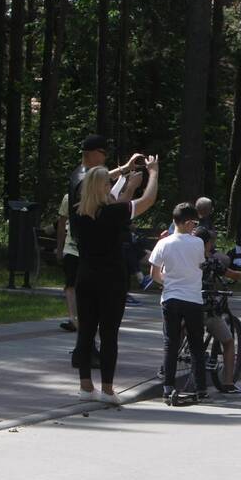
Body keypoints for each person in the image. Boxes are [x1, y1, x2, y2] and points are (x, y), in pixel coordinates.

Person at [71, 155, 159, 404]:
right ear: (103, 187)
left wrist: (125, 177)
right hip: (111, 278)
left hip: (85, 276)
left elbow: (99, 184)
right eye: (108, 184)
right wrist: (153, 173)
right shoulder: (113, 212)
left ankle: (86, 387)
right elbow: (148, 200)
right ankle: (108, 390)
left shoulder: (79, 214)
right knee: (109, 333)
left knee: (86, 331)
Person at [149, 203, 208, 402]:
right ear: (188, 222)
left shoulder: (163, 243)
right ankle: (201, 388)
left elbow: (154, 274)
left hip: (171, 297)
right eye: (194, 222)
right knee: (196, 345)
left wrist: (168, 281)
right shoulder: (198, 243)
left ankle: (168, 386)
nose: (195, 226)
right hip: (193, 298)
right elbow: (198, 264)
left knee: (171, 343)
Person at [192, 227, 241, 395]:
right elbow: (232, 274)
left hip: (186, 302)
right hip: (206, 308)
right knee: (228, 341)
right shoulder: (211, 261)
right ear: (207, 244)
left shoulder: (185, 258)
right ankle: (228, 382)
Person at [55, 192, 80, 332]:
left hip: (90, 251)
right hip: (71, 249)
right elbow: (61, 223)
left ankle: (86, 318)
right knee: (70, 284)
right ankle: (72, 318)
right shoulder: (68, 198)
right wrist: (59, 248)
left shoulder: (99, 194)